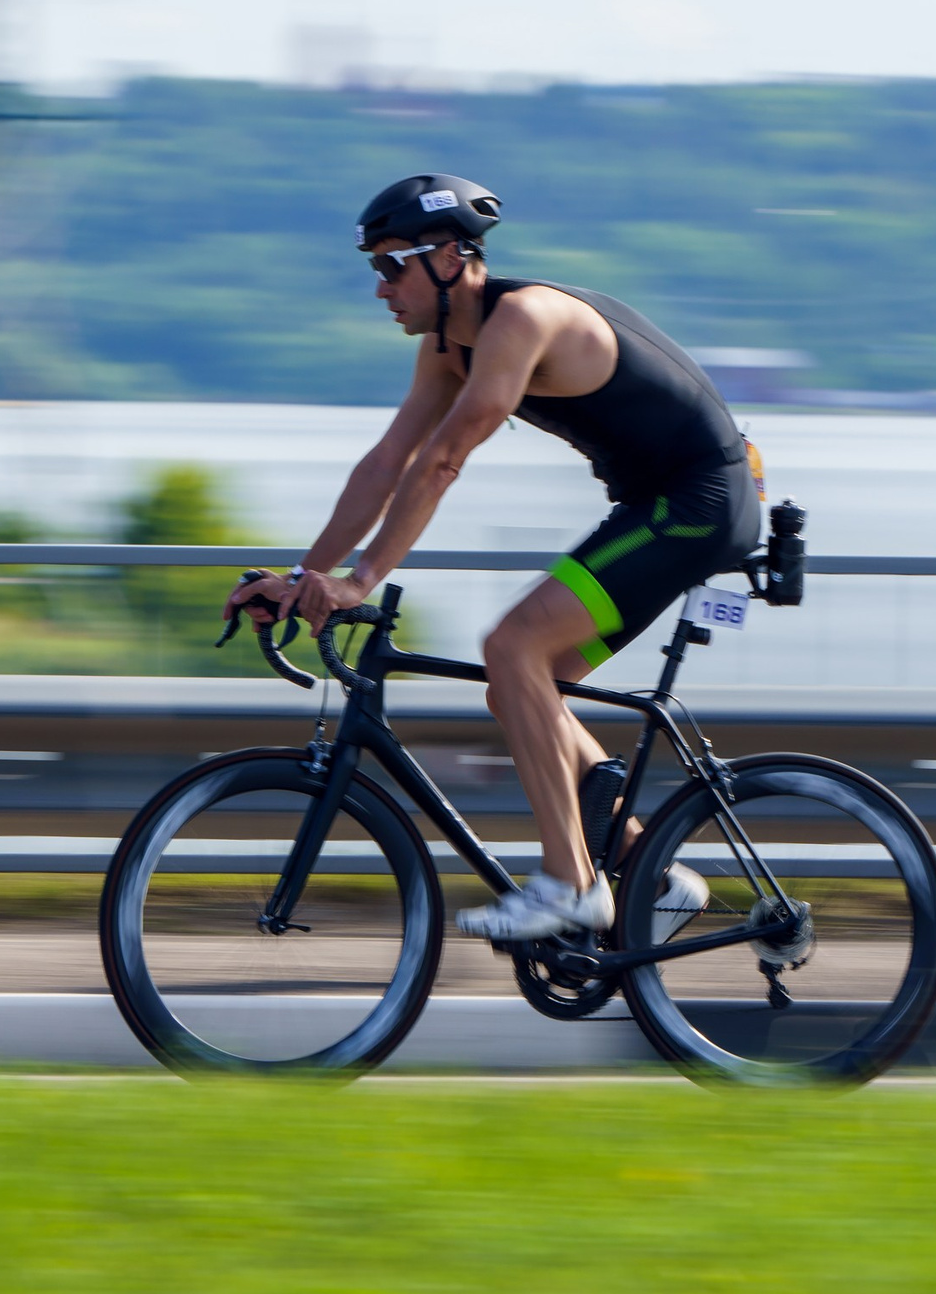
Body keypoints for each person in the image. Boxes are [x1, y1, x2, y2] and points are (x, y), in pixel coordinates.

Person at [229, 176, 750, 942]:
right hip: (655, 506)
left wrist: (362, 579)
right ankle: (650, 875)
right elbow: (388, 461)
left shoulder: (521, 319)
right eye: (374, 269)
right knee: (520, 687)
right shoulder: (449, 345)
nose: (380, 289)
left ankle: (571, 884)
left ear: (447, 258)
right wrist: (310, 577)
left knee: (511, 646)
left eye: (390, 266)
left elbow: (442, 459)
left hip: (697, 503)